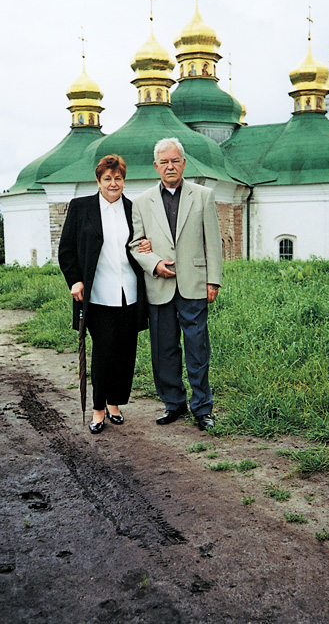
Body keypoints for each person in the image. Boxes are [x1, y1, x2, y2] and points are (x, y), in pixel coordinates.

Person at [130, 138, 222, 431]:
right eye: (164, 162)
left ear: (184, 163)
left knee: (197, 348)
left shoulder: (203, 196)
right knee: (164, 349)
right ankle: (173, 403)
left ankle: (202, 408)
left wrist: (213, 280)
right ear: (156, 166)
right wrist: (154, 263)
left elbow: (213, 243)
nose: (170, 166)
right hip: (159, 286)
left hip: (194, 285)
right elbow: (135, 244)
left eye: (175, 161)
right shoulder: (142, 202)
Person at [58, 154, 150, 435]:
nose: (113, 183)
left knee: (125, 352)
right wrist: (74, 281)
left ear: (124, 181)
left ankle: (115, 403)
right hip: (96, 295)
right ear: (98, 181)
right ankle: (98, 408)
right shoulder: (80, 207)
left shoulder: (133, 209)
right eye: (108, 179)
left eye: (118, 178)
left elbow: (140, 242)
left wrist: (147, 244)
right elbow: (66, 250)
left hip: (129, 292)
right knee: (103, 352)